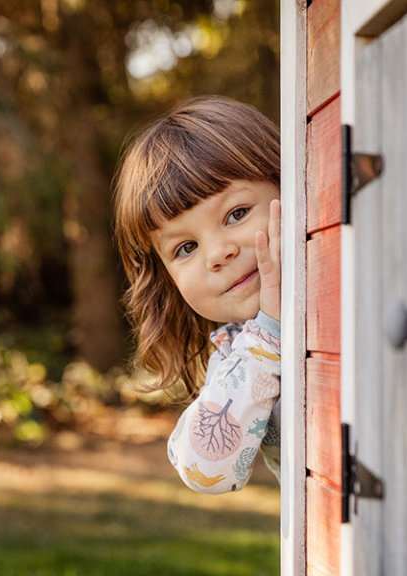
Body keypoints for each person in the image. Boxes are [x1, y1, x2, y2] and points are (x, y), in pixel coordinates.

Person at [113, 96, 281, 494]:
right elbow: (208, 470)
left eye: (236, 214)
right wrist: (270, 333)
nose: (218, 253)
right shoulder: (239, 349)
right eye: (186, 248)